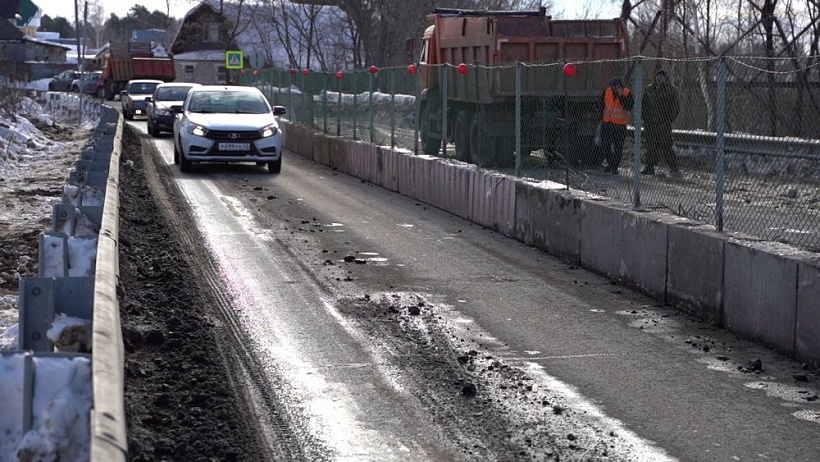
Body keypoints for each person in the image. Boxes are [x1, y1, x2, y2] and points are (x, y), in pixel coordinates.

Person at [641, 69, 680, 175]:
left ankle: (673, 168)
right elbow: (643, 104)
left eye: (661, 76)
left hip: (663, 124)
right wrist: (644, 117)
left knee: (666, 145)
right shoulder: (649, 89)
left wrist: (668, 119)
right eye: (657, 76)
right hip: (650, 123)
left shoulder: (670, 90)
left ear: (665, 78)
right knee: (650, 146)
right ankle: (649, 167)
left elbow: (675, 107)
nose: (659, 78)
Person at [600, 77, 633, 174]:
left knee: (618, 147)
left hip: (620, 125)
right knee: (605, 145)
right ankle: (611, 164)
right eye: (613, 86)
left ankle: (614, 167)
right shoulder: (607, 91)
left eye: (617, 87)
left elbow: (629, 106)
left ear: (621, 86)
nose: (615, 88)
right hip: (607, 123)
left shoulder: (627, 93)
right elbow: (601, 103)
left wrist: (621, 96)